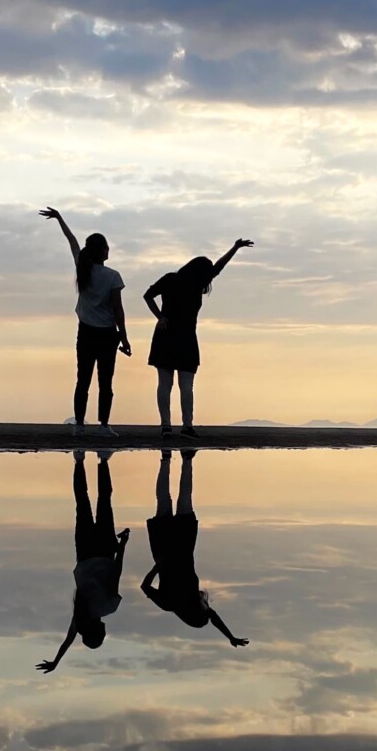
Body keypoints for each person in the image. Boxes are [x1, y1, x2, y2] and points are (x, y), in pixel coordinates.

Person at [141, 448, 249, 648]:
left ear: (195, 609)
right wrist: (230, 637)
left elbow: (144, 587)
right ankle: (173, 460)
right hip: (174, 547)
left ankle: (180, 460)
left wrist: (158, 567)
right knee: (170, 500)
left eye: (205, 606)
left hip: (173, 547)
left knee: (175, 499)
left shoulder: (170, 603)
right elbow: (213, 617)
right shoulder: (171, 605)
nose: (207, 604)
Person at [144, 238, 253, 437]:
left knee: (164, 384)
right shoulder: (196, 284)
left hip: (165, 334)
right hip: (186, 338)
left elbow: (148, 295)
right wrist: (235, 248)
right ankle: (187, 426)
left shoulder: (170, 279)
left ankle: (166, 426)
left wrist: (160, 316)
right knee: (186, 386)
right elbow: (219, 267)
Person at [40, 207, 131, 434]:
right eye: (107, 247)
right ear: (102, 250)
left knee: (83, 380)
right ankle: (103, 425)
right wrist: (125, 338)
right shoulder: (112, 276)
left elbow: (71, 240)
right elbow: (118, 310)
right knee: (105, 382)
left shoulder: (83, 267)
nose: (109, 250)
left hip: (86, 332)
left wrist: (59, 218)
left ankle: (79, 426)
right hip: (108, 334)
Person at [38, 450, 130, 672]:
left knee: (104, 501)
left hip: (105, 550)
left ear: (99, 631)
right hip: (85, 553)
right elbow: (68, 640)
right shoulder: (80, 616)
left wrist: (123, 546)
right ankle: (79, 460)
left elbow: (117, 572)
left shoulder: (109, 606)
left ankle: (103, 461)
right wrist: (55, 662)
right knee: (82, 502)